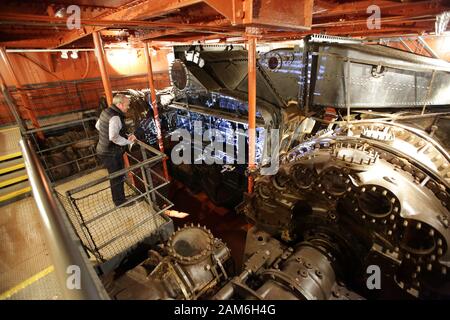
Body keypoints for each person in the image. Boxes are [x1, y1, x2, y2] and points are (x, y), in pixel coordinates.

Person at [95, 94, 137, 207]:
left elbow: (98, 125)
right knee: (117, 177)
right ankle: (120, 201)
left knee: (115, 176)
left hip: (103, 149)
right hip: (111, 153)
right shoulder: (115, 117)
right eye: (127, 105)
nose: (128, 107)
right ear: (119, 104)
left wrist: (106, 134)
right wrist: (129, 141)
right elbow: (113, 137)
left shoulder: (106, 111)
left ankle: (120, 197)